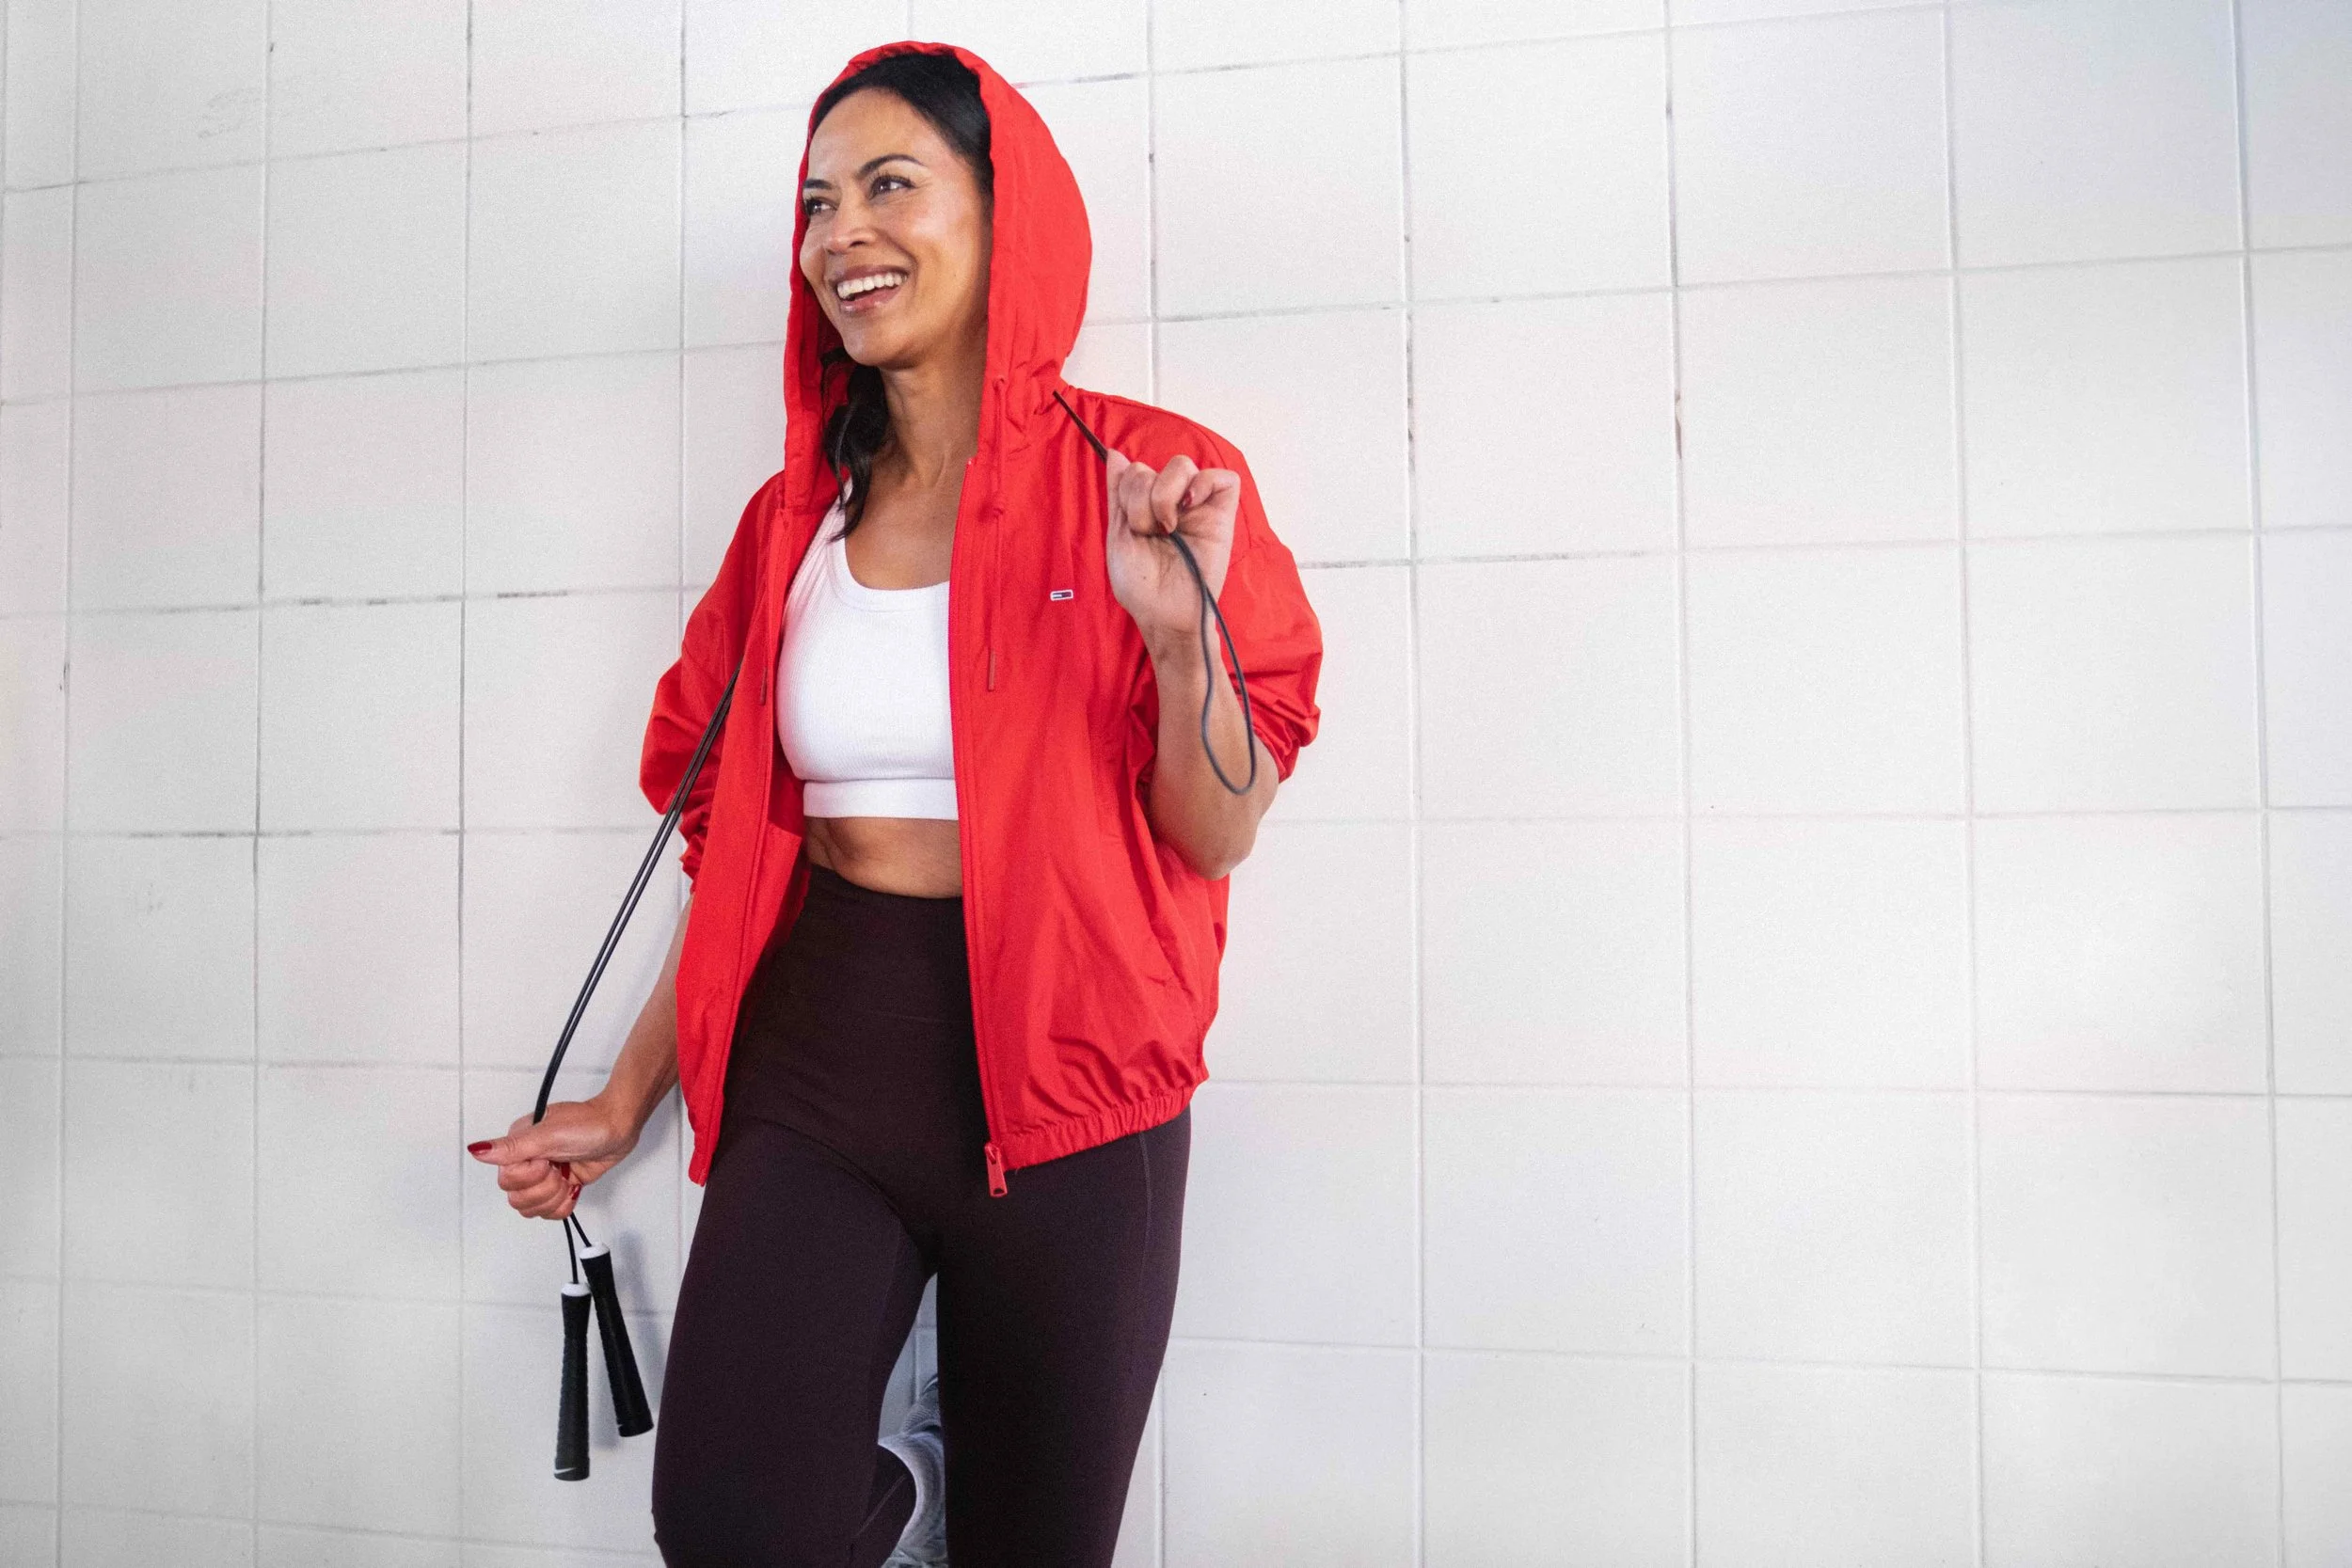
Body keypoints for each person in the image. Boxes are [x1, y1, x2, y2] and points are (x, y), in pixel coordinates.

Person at [465, 40, 1323, 1568]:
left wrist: (1177, 625)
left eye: (888, 185)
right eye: (815, 203)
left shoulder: (1158, 478)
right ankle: (907, 1495)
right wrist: (622, 1096)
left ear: (1008, 218)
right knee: (736, 1528)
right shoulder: (789, 527)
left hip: (1077, 1087)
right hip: (825, 1056)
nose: (841, 231)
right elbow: (725, 852)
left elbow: (1218, 828)